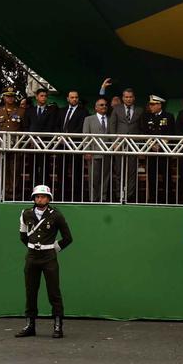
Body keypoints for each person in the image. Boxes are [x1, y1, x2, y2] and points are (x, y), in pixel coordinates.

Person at [16, 184, 73, 339]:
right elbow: (23, 236)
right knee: (30, 291)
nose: (39, 198)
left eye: (42, 196)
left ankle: (57, 324)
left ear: (48, 199)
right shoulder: (26, 214)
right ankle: (30, 325)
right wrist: (33, 247)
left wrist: (52, 248)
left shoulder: (56, 215)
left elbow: (68, 238)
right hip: (32, 257)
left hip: (49, 258)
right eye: (37, 196)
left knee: (54, 292)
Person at [108, 87, 142, 202]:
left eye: (130, 97)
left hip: (133, 145)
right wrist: (114, 142)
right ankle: (119, 195)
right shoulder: (116, 109)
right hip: (119, 145)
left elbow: (141, 128)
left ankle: (129, 196)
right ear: (123, 98)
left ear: (134, 98)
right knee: (119, 171)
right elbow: (112, 126)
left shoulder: (139, 110)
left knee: (132, 171)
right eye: (126, 97)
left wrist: (140, 145)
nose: (128, 99)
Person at [82, 97, 113, 202]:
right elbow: (86, 136)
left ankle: (103, 198)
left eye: (105, 105)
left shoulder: (111, 119)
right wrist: (87, 151)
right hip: (94, 153)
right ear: (96, 107)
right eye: (101, 105)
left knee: (105, 177)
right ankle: (93, 198)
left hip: (107, 153)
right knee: (94, 178)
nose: (104, 106)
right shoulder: (89, 119)